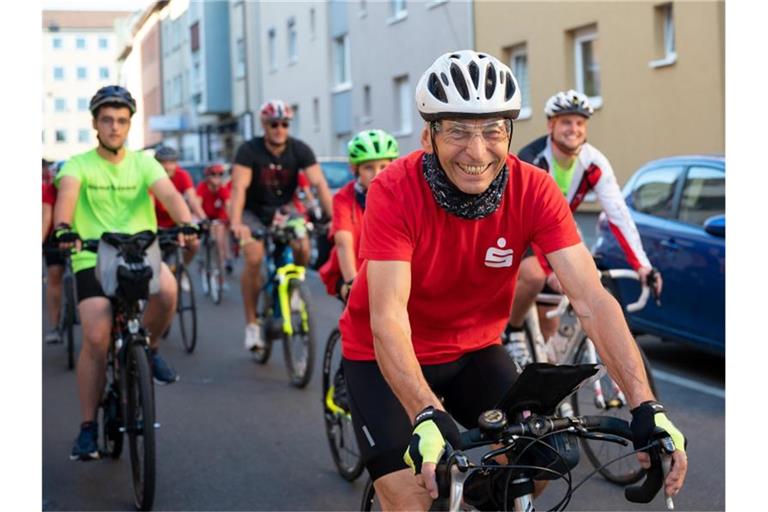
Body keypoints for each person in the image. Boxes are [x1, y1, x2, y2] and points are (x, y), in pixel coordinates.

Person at [337, 51, 687, 511]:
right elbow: (386, 317)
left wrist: (646, 404)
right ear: (428, 135)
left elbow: (592, 301)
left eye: (491, 130)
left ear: (510, 133)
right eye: (458, 130)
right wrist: (425, 410)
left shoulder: (535, 189)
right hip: (382, 357)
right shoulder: (393, 191)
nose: (476, 151)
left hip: (474, 351)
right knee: (411, 496)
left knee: (540, 463)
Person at [53, 85, 197, 461]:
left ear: (130, 124)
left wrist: (186, 222)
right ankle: (87, 428)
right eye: (107, 120)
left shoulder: (144, 163)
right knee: (98, 337)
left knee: (167, 291)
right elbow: (66, 196)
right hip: (93, 254)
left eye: (121, 120)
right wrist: (65, 227)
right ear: (95, 124)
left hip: (140, 249)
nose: (114, 127)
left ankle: (148, 348)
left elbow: (169, 195)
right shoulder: (78, 164)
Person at [505, 89, 663, 362]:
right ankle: (513, 330)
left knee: (578, 292)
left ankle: (551, 376)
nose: (574, 129)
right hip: (521, 226)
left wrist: (642, 265)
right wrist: (553, 266)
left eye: (580, 123)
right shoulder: (532, 158)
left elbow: (618, 215)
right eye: (566, 122)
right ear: (551, 125)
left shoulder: (594, 162)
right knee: (533, 278)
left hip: (557, 227)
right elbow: (529, 219)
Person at [229, 99, 333, 351]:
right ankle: (252, 325)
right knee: (253, 258)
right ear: (264, 125)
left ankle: (294, 290)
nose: (279, 129)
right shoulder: (249, 150)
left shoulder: (299, 149)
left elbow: (319, 185)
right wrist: (236, 223)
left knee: (303, 246)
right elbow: (238, 188)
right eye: (273, 124)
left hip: (283, 211)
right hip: (252, 212)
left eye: (284, 124)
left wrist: (332, 219)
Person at [319, 129, 399, 302]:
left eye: (383, 167)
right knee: (357, 322)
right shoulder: (343, 198)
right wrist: (351, 283)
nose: (377, 174)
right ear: (355, 169)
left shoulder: (400, 195)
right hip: (350, 271)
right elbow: (343, 243)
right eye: (368, 167)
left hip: (389, 275)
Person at [153, 145, 207, 274]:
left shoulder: (182, 175)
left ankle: (181, 270)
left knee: (194, 244)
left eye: (171, 162)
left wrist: (203, 217)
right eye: (163, 163)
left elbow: (192, 198)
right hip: (156, 224)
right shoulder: (152, 177)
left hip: (176, 223)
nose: (168, 167)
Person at [196, 163, 232, 291]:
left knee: (220, 244)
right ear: (207, 176)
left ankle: (220, 277)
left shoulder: (223, 189)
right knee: (198, 240)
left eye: (220, 175)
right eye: (213, 175)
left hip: (218, 219)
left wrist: (231, 220)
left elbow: (228, 205)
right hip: (204, 217)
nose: (217, 178)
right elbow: (197, 204)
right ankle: (201, 259)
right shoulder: (202, 187)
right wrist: (201, 219)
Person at [43, 158, 64, 343]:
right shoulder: (49, 190)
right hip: (54, 239)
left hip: (82, 239)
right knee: (54, 275)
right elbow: (46, 217)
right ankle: (55, 326)